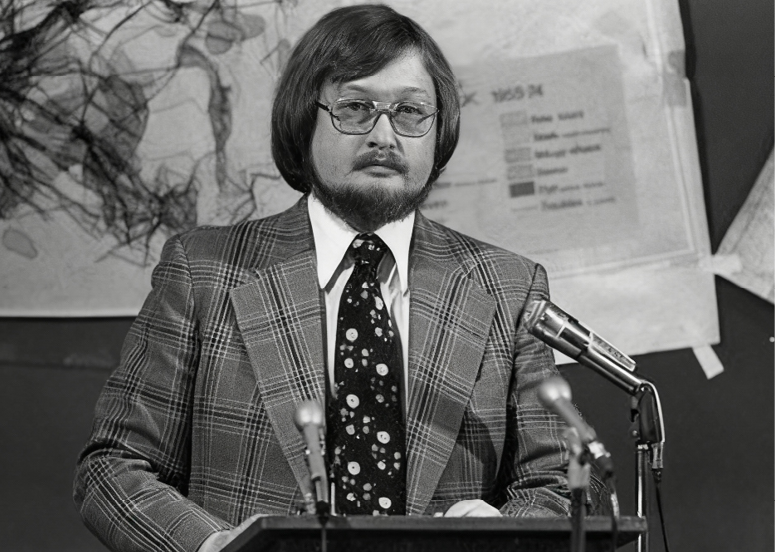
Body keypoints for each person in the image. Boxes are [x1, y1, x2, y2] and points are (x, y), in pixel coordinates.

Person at [74, 4, 577, 551]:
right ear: (303, 119)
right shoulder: (203, 271)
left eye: (411, 112)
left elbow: (563, 480)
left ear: (440, 131)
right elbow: (116, 465)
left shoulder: (508, 288)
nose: (384, 135)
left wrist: (506, 529)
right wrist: (212, 547)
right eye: (355, 108)